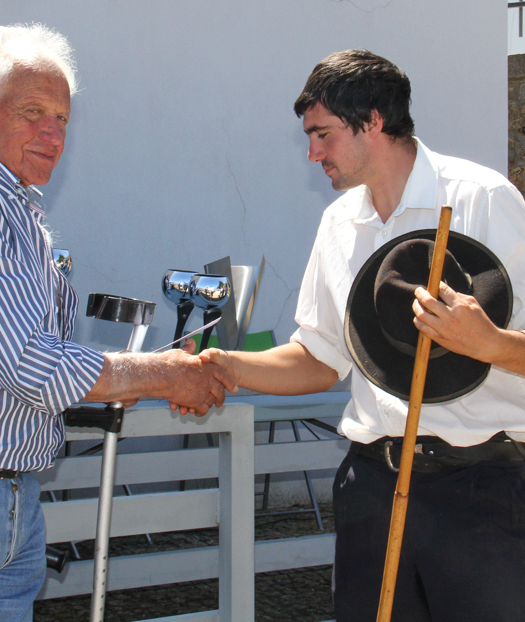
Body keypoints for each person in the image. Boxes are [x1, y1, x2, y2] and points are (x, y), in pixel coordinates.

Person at [199, 49, 525, 621]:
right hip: (373, 487)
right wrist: (225, 366)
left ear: (373, 120)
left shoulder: (481, 199)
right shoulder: (339, 223)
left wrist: (490, 343)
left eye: (322, 134)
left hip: (484, 493)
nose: (312, 153)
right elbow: (321, 359)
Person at [0, 24, 235, 622]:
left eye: (62, 118)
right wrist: (164, 374)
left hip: (5, 500)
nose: (53, 134)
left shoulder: (15, 210)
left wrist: (143, 378)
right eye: (33, 112)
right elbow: (30, 364)